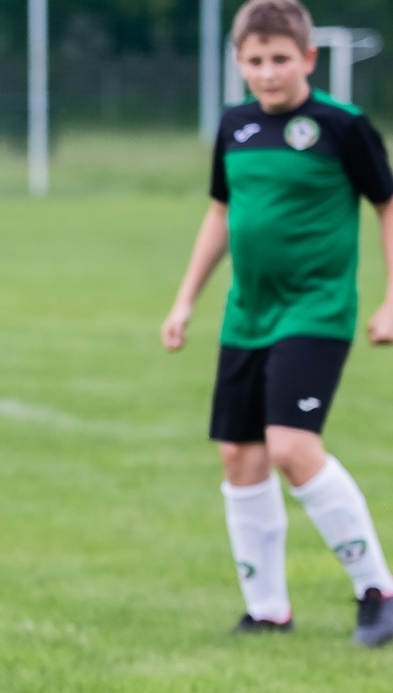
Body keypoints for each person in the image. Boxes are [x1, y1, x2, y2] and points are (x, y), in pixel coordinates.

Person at [162, 0, 393, 644]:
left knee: (291, 447)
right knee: (239, 455)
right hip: (247, 312)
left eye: (280, 59)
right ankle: (268, 611)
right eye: (255, 61)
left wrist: (392, 297)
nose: (268, 73)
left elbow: (387, 204)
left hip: (316, 309)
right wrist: (186, 300)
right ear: (238, 62)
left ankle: (378, 590)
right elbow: (219, 215)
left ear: (309, 59)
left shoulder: (342, 126)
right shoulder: (234, 126)